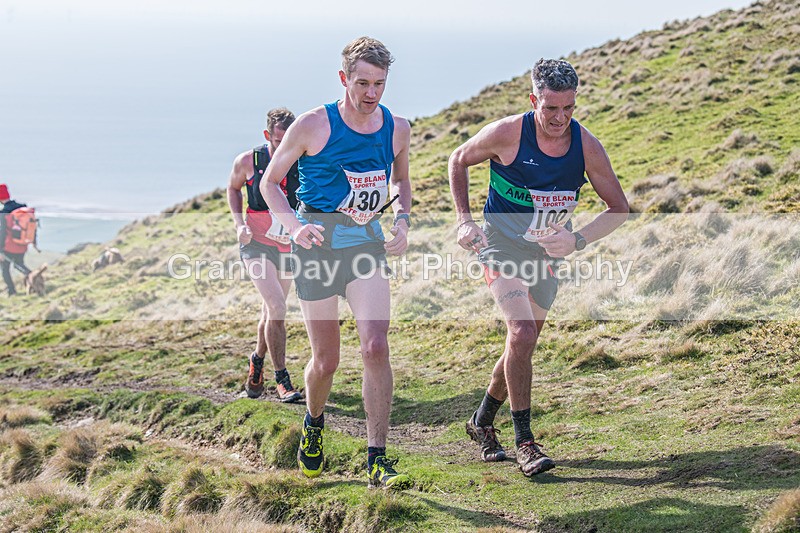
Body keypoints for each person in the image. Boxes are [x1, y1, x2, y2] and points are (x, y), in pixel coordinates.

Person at [448, 59, 629, 477]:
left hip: (545, 256)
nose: (560, 118)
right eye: (551, 109)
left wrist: (577, 239)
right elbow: (458, 159)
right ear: (534, 101)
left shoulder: (586, 146)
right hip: (500, 245)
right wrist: (464, 219)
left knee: (522, 343)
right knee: (522, 331)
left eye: (569, 108)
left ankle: (480, 422)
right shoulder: (508, 133)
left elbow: (618, 208)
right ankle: (525, 442)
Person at [260, 37, 413, 489]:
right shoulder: (311, 125)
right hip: (317, 251)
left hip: (365, 247)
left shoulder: (397, 127)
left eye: (380, 84)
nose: (371, 93)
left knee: (375, 346)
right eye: (362, 82)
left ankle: (377, 457)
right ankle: (314, 421)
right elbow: (271, 185)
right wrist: (293, 227)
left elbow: (402, 182)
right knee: (326, 361)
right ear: (344, 78)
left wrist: (403, 222)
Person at [227, 108, 303, 403]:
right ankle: (282, 380)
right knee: (277, 307)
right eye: (277, 141)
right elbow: (233, 189)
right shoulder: (249, 161)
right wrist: (239, 224)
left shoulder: (302, 162)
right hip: (256, 245)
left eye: (288, 141)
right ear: (267, 135)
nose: (283, 147)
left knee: (271, 311)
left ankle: (256, 362)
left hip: (287, 246)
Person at [0, 184, 33, 296]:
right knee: (19, 264)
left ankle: (12, 291)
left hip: (9, 246)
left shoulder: (4, 212)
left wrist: (0, 251)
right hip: (23, 243)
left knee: (5, 269)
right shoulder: (22, 207)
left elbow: (2, 233)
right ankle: (33, 279)